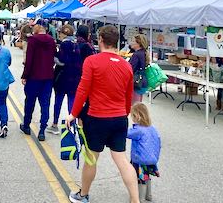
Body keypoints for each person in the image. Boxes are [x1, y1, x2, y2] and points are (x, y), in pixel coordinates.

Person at [66, 25, 138, 203]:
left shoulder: (92, 61)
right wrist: (125, 113)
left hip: (98, 117)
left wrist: (73, 114)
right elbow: (129, 96)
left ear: (100, 40)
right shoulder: (126, 66)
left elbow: (82, 90)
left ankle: (83, 195)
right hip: (120, 117)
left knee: (91, 158)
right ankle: (135, 200)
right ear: (116, 42)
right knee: (121, 160)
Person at [20, 23, 56, 141]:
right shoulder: (51, 41)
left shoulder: (33, 40)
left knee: (30, 102)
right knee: (45, 103)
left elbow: (29, 60)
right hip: (47, 77)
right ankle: (42, 130)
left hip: (34, 76)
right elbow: (54, 57)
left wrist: (25, 75)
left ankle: (26, 125)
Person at [48, 24, 82, 135]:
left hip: (62, 76)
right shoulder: (76, 44)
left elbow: (61, 61)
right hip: (74, 77)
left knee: (58, 101)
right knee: (71, 101)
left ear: (64, 33)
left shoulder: (64, 44)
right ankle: (71, 124)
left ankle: (55, 124)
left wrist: (54, 56)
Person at [127, 103, 161, 202]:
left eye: (132, 116)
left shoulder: (138, 130)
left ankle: (139, 198)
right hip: (152, 158)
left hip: (140, 159)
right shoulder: (153, 128)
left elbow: (126, 133)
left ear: (137, 116)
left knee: (139, 178)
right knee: (147, 176)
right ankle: (148, 195)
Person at [129, 34, 149, 103]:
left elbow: (130, 69)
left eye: (133, 41)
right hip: (142, 81)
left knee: (134, 105)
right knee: (139, 103)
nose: (131, 42)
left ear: (138, 43)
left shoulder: (136, 55)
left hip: (136, 81)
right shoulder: (144, 53)